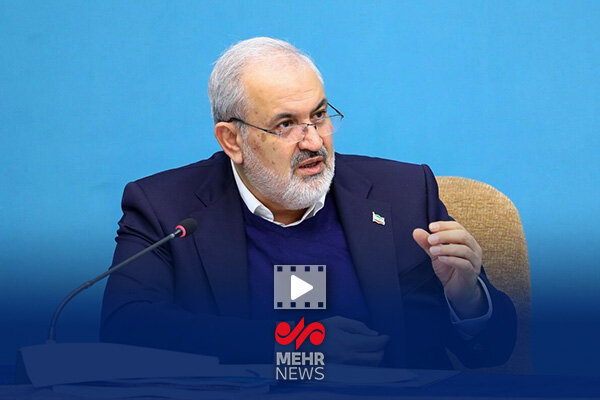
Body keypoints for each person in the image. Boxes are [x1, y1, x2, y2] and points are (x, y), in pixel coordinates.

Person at [101, 37, 517, 369]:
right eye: (286, 124)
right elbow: (127, 327)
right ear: (232, 140)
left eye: (318, 115)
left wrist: (467, 298)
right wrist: (295, 342)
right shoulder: (165, 207)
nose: (314, 141)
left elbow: (490, 352)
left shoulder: (404, 193)